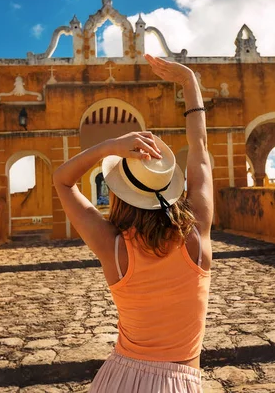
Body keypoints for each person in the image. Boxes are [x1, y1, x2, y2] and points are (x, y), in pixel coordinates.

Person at [53, 54, 213, 393]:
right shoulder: (196, 235)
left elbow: (62, 181)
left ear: (118, 193)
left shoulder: (113, 246)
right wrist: (190, 84)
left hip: (117, 378)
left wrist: (110, 146)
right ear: (170, 186)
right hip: (177, 382)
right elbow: (199, 148)